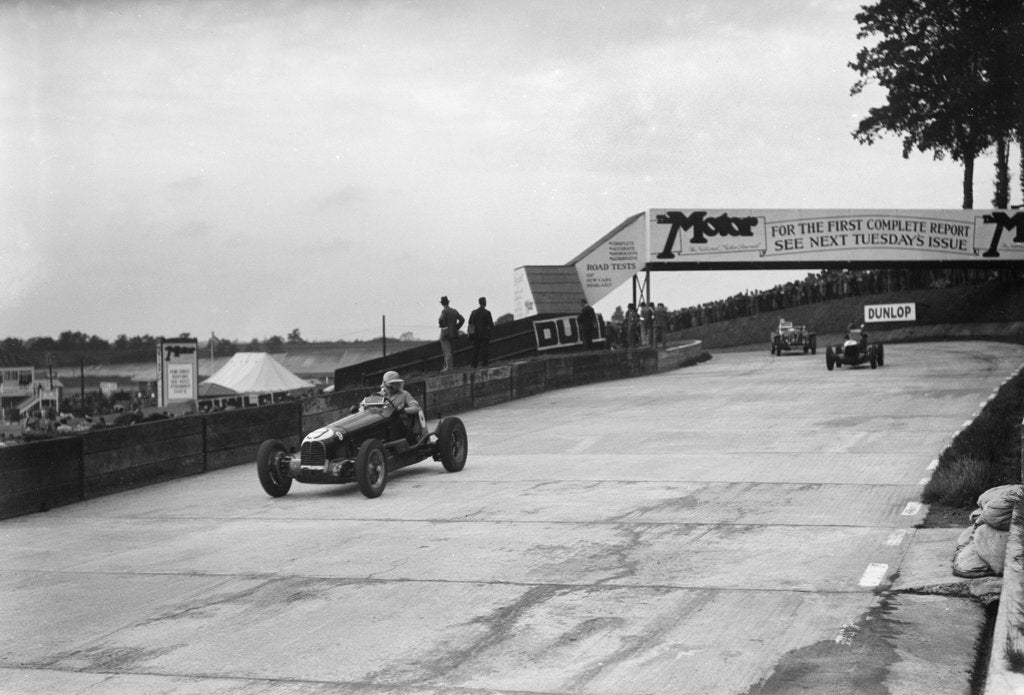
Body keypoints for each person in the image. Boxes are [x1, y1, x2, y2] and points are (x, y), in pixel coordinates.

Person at [378, 370, 424, 439]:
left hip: (401, 425)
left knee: (395, 427)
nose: (397, 385)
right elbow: (363, 407)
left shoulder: (404, 394)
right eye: (394, 383)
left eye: (397, 383)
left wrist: (401, 410)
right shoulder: (377, 396)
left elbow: (416, 408)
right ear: (387, 384)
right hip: (382, 424)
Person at [438, 296, 465, 371]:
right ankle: (449, 367)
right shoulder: (454, 311)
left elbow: (440, 320)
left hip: (445, 334)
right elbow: (462, 319)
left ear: (442, 304)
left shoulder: (444, 311)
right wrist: (457, 327)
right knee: (450, 351)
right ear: (448, 302)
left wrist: (442, 326)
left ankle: (448, 368)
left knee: (447, 351)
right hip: (453, 333)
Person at [467, 296, 494, 368]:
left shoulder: (474, 312)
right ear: (484, 303)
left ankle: (473, 364)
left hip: (475, 334)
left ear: (479, 303)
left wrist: (470, 333)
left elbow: (470, 323)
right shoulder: (487, 313)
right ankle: (484, 363)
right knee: (484, 350)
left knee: (475, 350)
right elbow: (491, 324)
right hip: (485, 334)